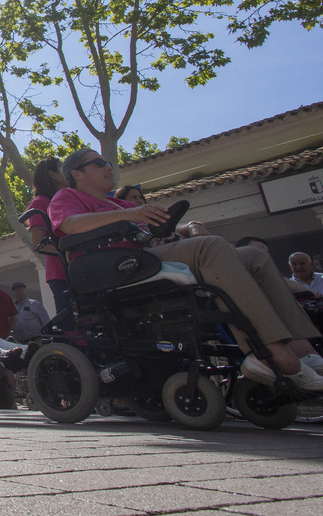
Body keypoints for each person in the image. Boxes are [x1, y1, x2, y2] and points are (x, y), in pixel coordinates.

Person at [49, 147, 323, 391]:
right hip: (116, 265)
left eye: (107, 161)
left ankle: (301, 346)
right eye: (99, 163)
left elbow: (154, 226)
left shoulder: (121, 203)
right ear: (78, 173)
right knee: (210, 248)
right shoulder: (68, 196)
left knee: (253, 256)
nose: (108, 166)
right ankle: (267, 352)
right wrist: (128, 214)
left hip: (148, 255)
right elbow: (70, 225)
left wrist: (189, 227)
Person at [26, 156, 71, 318]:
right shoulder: (40, 203)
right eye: (63, 168)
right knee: (72, 321)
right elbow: (38, 244)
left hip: (82, 267)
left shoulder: (70, 199)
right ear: (53, 174)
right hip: (62, 272)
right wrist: (69, 252)